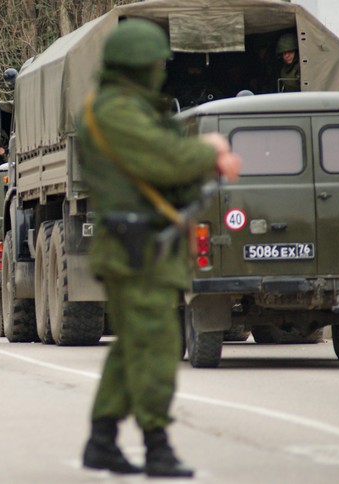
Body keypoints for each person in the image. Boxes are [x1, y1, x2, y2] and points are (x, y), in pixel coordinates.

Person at [76, 20, 241, 478]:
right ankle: (157, 444)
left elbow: (166, 160)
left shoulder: (135, 108)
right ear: (138, 67)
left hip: (149, 246)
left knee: (134, 346)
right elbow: (164, 158)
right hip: (137, 249)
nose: (159, 72)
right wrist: (209, 150)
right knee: (156, 346)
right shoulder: (114, 111)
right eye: (154, 65)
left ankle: (102, 439)